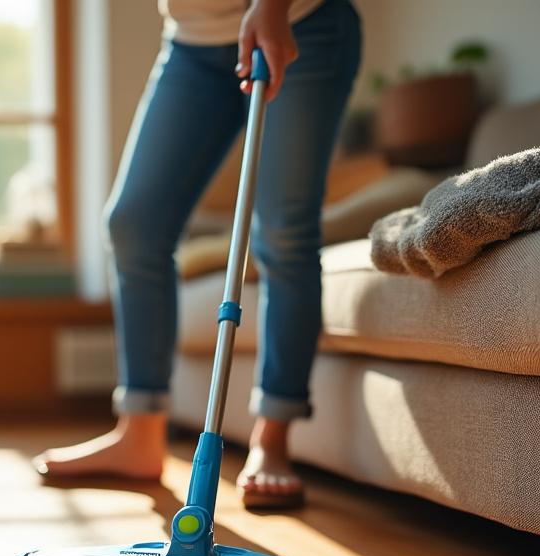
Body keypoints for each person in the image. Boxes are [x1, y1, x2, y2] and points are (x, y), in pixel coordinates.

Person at [36, 0, 362, 508]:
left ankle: (271, 441)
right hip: (190, 39)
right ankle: (140, 433)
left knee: (282, 233)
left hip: (300, 21)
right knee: (134, 224)